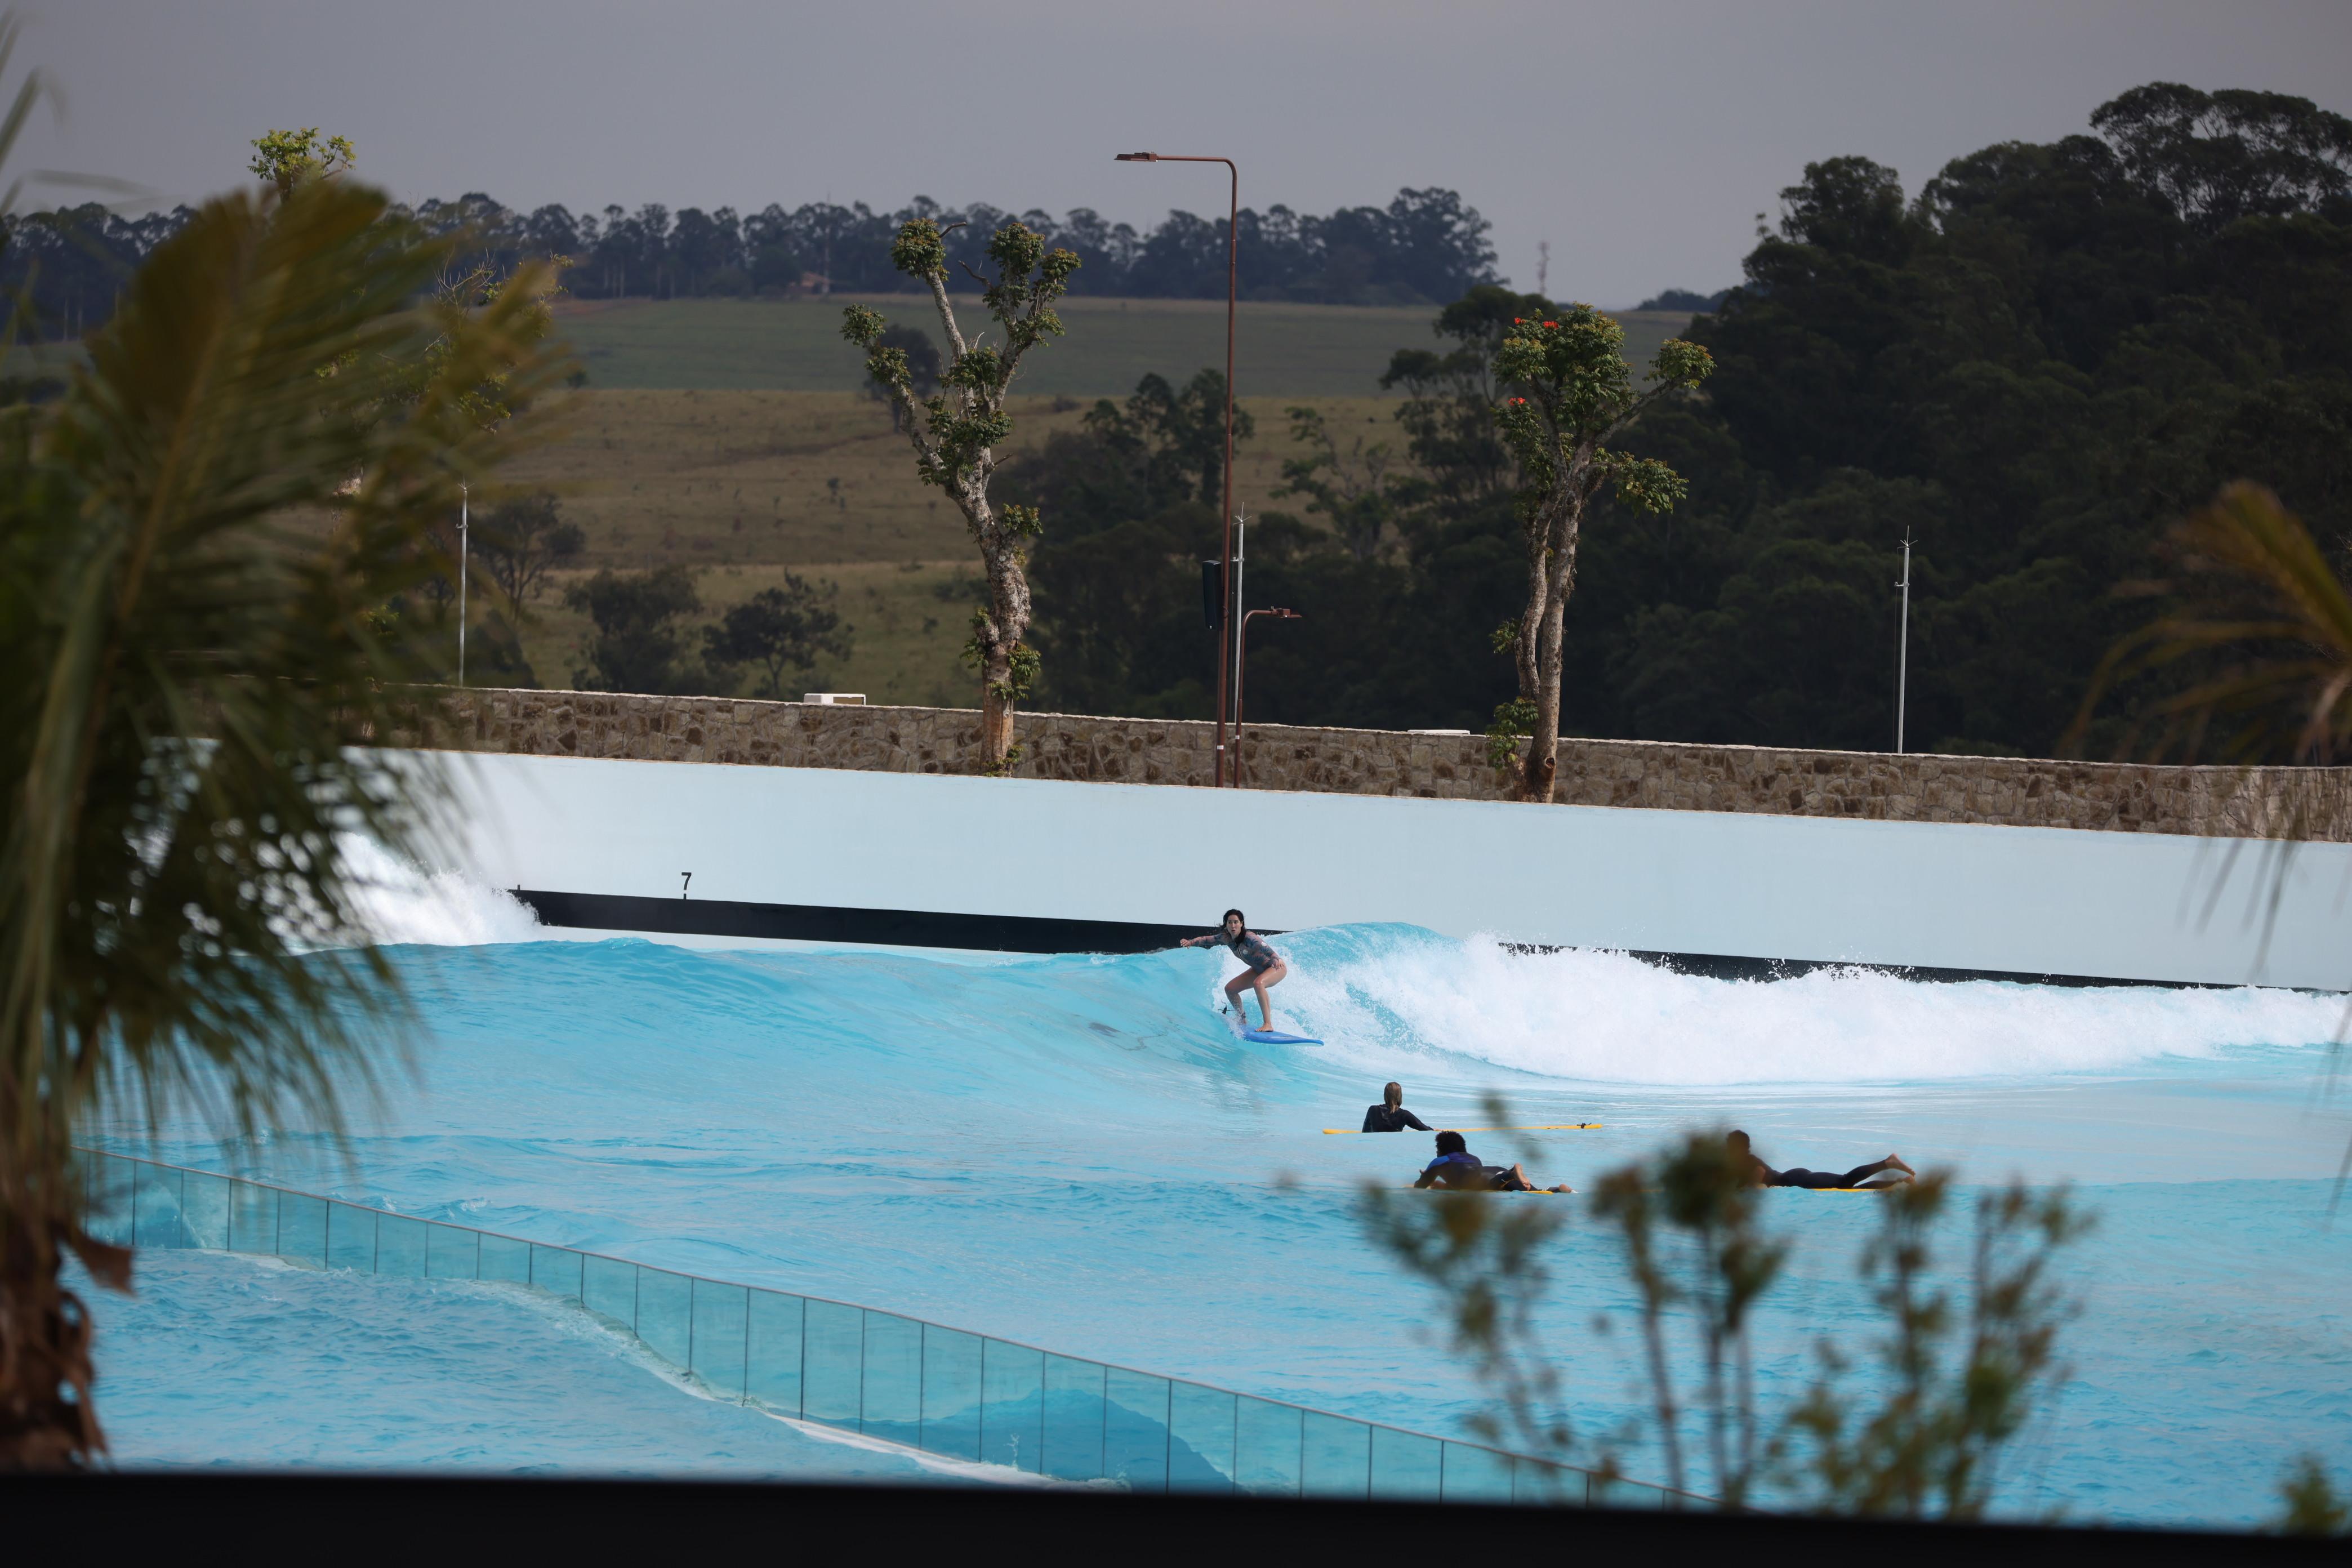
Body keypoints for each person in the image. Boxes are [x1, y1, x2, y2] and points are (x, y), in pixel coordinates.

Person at [1179, 908, 1289, 1032]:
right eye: (1230, 922)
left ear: (1241, 923)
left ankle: (1268, 1024)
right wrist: (1191, 942)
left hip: (1276, 967)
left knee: (1258, 983)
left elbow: (1268, 951)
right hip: (1258, 970)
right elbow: (1206, 940)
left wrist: (1276, 959)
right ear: (1226, 925)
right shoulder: (1226, 938)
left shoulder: (1250, 938)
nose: (1233, 925)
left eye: (1236, 922)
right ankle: (1242, 1019)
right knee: (1230, 989)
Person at [1727, 1129, 1914, 1190]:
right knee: (1849, 1189)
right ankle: (1899, 1183)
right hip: (1795, 1177)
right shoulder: (1745, 1160)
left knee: (1844, 1181)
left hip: (1795, 1180)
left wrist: (1742, 1190)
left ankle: (1887, 1163)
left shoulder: (1746, 1161)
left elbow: (1759, 1173)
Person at [1412, 1130, 1571, 1193]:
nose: (1437, 1152)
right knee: (1537, 1193)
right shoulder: (1473, 1158)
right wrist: (1444, 1186)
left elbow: (1419, 1187)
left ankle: (1512, 1173)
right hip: (1494, 1171)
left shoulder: (1439, 1161)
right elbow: (1463, 1180)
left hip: (1489, 1179)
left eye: (1438, 1149)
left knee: (1492, 1185)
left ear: (1443, 1149)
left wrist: (1427, 1177)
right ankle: (1559, 1190)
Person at [1362, 1082, 1431, 1133]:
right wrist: (1433, 1130)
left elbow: (1365, 1132)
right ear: (1400, 1097)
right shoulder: (1404, 1115)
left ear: (1385, 1096)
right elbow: (1424, 1129)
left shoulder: (1373, 1110)